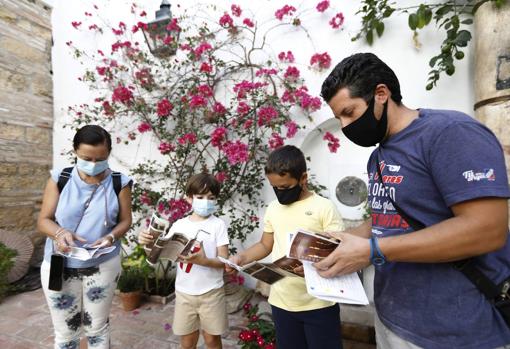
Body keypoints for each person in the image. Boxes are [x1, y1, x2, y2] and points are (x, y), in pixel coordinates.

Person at [318, 52, 510, 349]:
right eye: (338, 118)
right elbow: (389, 218)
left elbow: (487, 229)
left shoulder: (450, 133)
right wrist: (343, 239)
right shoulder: (378, 155)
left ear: (381, 94)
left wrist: (373, 251)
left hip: (456, 333)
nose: (344, 127)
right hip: (393, 321)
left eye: (349, 112)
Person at [228, 145, 345, 349]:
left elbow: (338, 251)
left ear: (303, 178)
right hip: (282, 301)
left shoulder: (324, 208)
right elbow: (266, 244)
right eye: (275, 188)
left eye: (285, 187)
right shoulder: (274, 208)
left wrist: (312, 265)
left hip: (318, 303)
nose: (280, 193)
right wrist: (242, 258)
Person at [38, 125, 133, 349]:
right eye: (86, 158)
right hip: (59, 264)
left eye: (100, 158)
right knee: (65, 333)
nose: (93, 164)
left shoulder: (120, 182)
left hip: (103, 264)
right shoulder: (60, 178)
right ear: (75, 151)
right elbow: (44, 220)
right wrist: (60, 233)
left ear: (108, 153)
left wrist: (110, 237)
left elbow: (126, 221)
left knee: (97, 328)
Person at [138, 173, 229, 349]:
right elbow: (161, 251)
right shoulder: (180, 225)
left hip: (211, 292)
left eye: (211, 198)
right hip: (184, 293)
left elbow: (224, 261)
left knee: (212, 340)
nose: (206, 202)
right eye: (200, 197)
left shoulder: (218, 225)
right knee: (187, 342)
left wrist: (204, 261)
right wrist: (146, 242)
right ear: (189, 198)